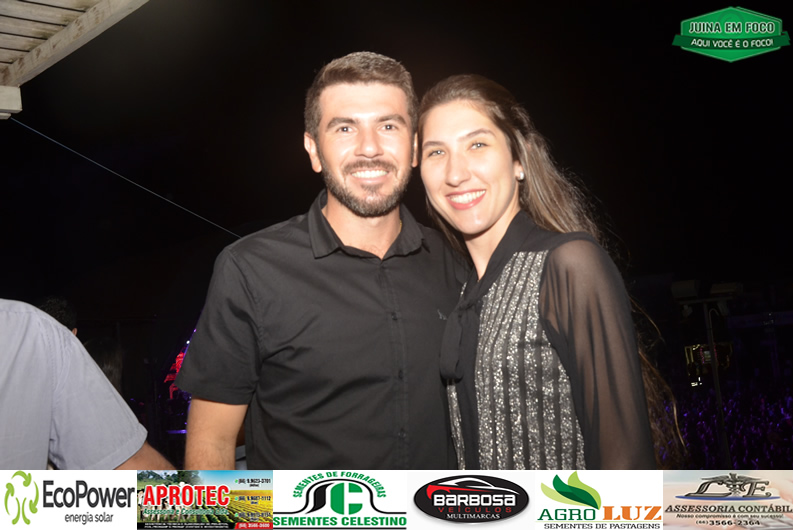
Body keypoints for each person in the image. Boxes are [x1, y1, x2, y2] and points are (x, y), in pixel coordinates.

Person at [176, 52, 466, 470]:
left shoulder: (457, 262)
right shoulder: (250, 270)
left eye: (388, 126)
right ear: (313, 150)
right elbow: (213, 442)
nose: (370, 148)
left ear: (415, 146)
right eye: (345, 128)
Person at [418, 74, 679, 469]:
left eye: (477, 144)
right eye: (436, 152)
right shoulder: (458, 290)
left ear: (519, 160)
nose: (455, 173)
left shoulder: (569, 264)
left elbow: (625, 461)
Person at [0, 299, 173, 470]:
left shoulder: (29, 330)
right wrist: (185, 489)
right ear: (73, 333)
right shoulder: (34, 330)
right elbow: (126, 463)